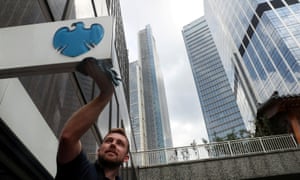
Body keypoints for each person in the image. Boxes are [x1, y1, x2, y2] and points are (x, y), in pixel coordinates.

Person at [55, 58, 129, 180]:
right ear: (99, 150)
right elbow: (68, 138)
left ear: (126, 158)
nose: (113, 145)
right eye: (109, 141)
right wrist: (106, 93)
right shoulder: (80, 169)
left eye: (120, 143)